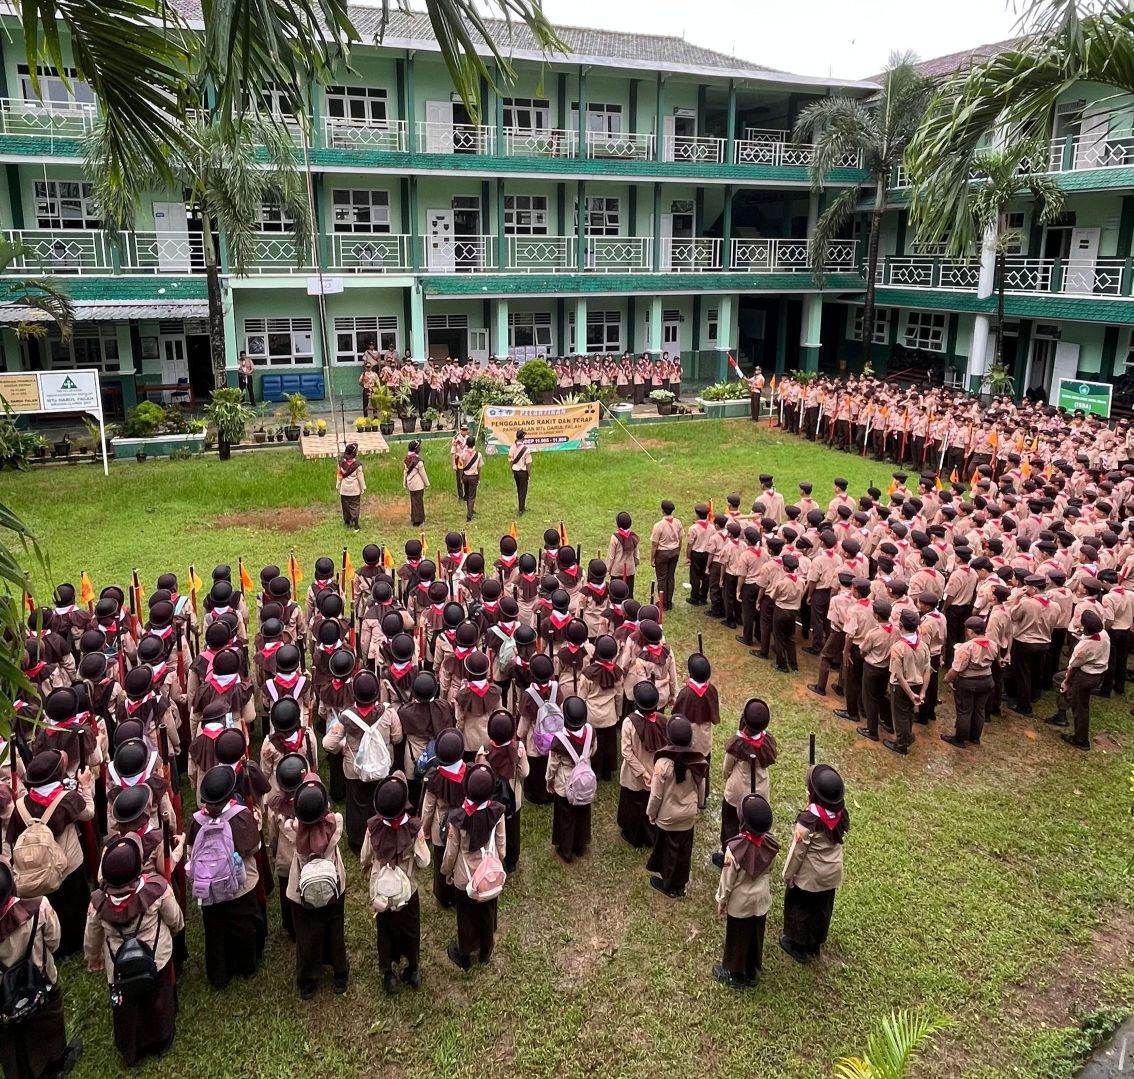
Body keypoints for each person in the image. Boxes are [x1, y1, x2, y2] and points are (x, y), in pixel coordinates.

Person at [83, 835, 183, 1066]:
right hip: (156, 957)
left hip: (118, 965)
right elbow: (174, 918)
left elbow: (92, 936)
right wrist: (177, 931)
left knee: (127, 1007)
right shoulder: (157, 889)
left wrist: (94, 958)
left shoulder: (98, 902)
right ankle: (161, 1038)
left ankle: (132, 1047)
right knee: (158, 997)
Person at [6, 749, 94, 959]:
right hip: (69, 863)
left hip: (38, 866)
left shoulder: (20, 805)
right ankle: (77, 940)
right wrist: (86, 786)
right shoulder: (67, 799)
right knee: (75, 901)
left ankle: (57, 942)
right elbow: (88, 813)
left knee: (54, 903)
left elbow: (12, 837)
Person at [0, 858, 81, 1079]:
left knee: (10, 1034)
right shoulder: (38, 908)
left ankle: (20, 1071)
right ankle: (55, 1062)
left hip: (3, 995)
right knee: (50, 1018)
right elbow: (54, 941)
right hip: (42, 979)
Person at [187, 764, 266, 989]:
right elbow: (254, 847)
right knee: (244, 925)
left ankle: (219, 973)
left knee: (214, 931)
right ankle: (246, 965)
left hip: (210, 888)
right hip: (241, 884)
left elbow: (191, 850)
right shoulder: (241, 816)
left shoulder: (196, 821)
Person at [361, 773, 429, 994]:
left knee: (385, 930)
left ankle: (388, 974)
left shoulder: (372, 828)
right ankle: (414, 969)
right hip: (408, 890)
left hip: (382, 892)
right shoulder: (414, 829)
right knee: (411, 928)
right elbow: (425, 860)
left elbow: (364, 857)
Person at [285, 778, 348, 999]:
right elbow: (335, 816)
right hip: (334, 885)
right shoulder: (335, 823)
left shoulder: (293, 829)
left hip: (301, 889)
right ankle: (340, 972)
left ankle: (308, 979)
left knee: (306, 933)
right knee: (335, 928)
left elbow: (288, 825)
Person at [440, 764, 506, 970]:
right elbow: (501, 844)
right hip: (489, 873)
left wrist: (446, 871)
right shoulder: (497, 812)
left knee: (466, 915)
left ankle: (465, 953)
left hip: (465, 875)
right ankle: (486, 949)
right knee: (487, 910)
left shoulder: (458, 818)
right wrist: (498, 863)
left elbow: (451, 852)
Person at [780, 764, 848, 964]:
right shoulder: (841, 813)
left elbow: (797, 853)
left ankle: (797, 945)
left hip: (810, 876)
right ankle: (815, 943)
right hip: (832, 873)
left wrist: (788, 874)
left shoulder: (807, 822)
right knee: (821, 908)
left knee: (800, 908)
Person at [714, 793, 778, 989]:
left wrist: (721, 900)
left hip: (740, 904)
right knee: (755, 935)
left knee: (737, 937)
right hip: (761, 901)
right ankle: (752, 971)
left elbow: (727, 881)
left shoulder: (734, 850)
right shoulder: (770, 843)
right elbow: (770, 868)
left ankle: (734, 973)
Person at [645, 715, 707, 898]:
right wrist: (699, 806)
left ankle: (669, 886)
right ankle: (680, 883)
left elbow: (656, 795)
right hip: (688, 816)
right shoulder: (698, 761)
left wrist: (651, 813)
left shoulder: (663, 764)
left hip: (667, 816)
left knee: (668, 852)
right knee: (683, 852)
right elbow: (701, 788)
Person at [713, 698, 776, 869]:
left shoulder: (738, 743)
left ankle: (729, 856)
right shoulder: (768, 740)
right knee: (753, 826)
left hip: (737, 793)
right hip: (760, 791)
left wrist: (727, 777)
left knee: (730, 826)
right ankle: (751, 857)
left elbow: (727, 766)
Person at [1049, 607, 1109, 750]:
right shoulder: (1104, 634)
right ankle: (1062, 710)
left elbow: (1072, 667)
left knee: (1080, 706)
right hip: (1099, 673)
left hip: (1085, 676)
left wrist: (1067, 682)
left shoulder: (1083, 647)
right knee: (1059, 680)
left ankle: (1081, 739)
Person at [545, 696, 596, 863]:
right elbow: (593, 750)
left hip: (565, 784)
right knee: (583, 814)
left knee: (566, 817)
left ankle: (566, 850)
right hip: (584, 782)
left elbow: (553, 765)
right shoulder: (590, 731)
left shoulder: (559, 739)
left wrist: (549, 781)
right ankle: (580, 845)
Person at [617, 681, 666, 849]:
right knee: (649, 804)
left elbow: (626, 752)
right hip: (654, 771)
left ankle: (632, 834)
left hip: (633, 773)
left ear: (636, 703)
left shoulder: (629, 723)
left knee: (632, 803)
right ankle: (649, 835)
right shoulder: (662, 720)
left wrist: (641, 772)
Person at [943, 615, 996, 748]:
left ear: (971, 631)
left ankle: (960, 739)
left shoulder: (967, 647)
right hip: (987, 680)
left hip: (968, 682)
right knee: (979, 709)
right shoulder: (993, 644)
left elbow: (957, 668)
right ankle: (975, 737)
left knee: (964, 710)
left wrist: (947, 678)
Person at [650, 501, 683, 611]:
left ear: (662, 511)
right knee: (670, 577)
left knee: (662, 578)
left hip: (662, 553)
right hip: (674, 552)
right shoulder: (678, 522)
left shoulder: (659, 525)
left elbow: (654, 544)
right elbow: (681, 538)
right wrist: (678, 550)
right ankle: (669, 601)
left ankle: (662, 602)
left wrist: (652, 558)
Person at [336, 443, 366, 531]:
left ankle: (347, 522)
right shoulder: (358, 465)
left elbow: (339, 476)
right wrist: (363, 488)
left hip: (344, 489)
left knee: (345, 506)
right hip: (355, 489)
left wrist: (338, 486)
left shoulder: (341, 464)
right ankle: (355, 522)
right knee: (355, 505)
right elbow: (360, 478)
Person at [403, 440, 429, 527]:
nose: (420, 448)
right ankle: (419, 520)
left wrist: (405, 482)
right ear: (416, 449)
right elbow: (423, 474)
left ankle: (414, 518)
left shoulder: (407, 459)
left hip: (410, 484)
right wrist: (427, 484)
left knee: (414, 501)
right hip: (418, 484)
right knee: (419, 502)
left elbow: (405, 472)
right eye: (419, 447)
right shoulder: (418, 461)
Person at [508, 430, 532, 514]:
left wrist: (512, 470)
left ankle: (521, 507)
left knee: (519, 489)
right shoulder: (526, 449)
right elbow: (528, 463)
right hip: (523, 471)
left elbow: (510, 461)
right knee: (523, 490)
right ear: (523, 437)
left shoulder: (512, 447)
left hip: (515, 471)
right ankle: (521, 509)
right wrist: (529, 473)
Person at [459, 435, 481, 523]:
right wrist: (479, 477)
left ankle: (470, 510)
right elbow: (479, 468)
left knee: (467, 494)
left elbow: (460, 467)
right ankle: (469, 514)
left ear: (467, 444)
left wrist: (461, 477)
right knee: (472, 496)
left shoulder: (462, 454)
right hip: (473, 476)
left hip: (465, 476)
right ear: (474, 444)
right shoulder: (478, 455)